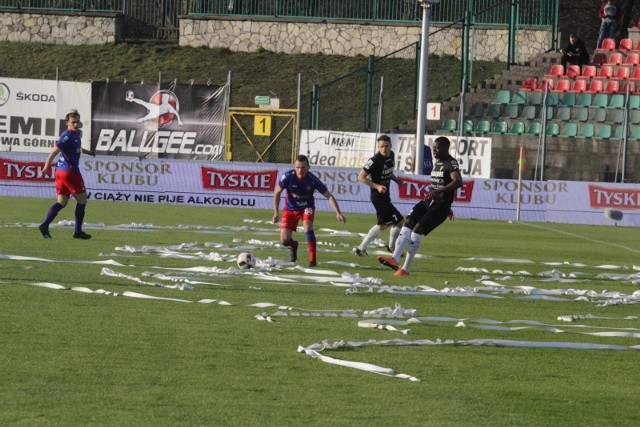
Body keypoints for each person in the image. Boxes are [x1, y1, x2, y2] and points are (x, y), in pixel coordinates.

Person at [377, 136, 462, 276]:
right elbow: (439, 185)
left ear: (446, 148)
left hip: (440, 207)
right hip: (429, 201)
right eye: (433, 147)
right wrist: (439, 193)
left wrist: (445, 203)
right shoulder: (438, 162)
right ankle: (394, 259)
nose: (433, 150)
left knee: (416, 231)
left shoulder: (450, 162)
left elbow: (458, 182)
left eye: (437, 148)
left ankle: (405, 269)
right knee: (408, 222)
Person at [273, 154, 346, 267]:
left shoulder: (313, 179)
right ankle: (293, 245)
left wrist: (338, 212)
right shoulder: (288, 176)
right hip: (290, 209)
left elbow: (329, 196)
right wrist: (276, 213)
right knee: (284, 240)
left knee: (307, 226)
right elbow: (277, 192)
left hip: (307, 207)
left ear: (308, 167)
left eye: (303, 167)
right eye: (297, 167)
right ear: (294, 166)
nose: (300, 170)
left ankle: (313, 260)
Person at [37, 110, 95, 240]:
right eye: (72, 122)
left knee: (62, 201)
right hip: (69, 172)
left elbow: (75, 148)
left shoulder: (76, 134)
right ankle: (77, 231)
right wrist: (46, 168)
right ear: (67, 122)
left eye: (77, 122)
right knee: (82, 200)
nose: (75, 124)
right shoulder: (67, 135)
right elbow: (54, 151)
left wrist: (88, 152)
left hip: (61, 173)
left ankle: (45, 225)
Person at [354, 135, 405, 257]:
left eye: (386, 146)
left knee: (387, 223)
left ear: (391, 146)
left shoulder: (391, 155)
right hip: (378, 197)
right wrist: (377, 186)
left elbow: (388, 171)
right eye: (381, 146)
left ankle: (364, 248)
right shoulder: (374, 160)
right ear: (378, 147)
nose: (384, 149)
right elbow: (360, 177)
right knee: (398, 221)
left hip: (385, 196)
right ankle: (390, 248)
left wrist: (396, 180)